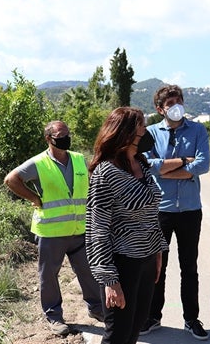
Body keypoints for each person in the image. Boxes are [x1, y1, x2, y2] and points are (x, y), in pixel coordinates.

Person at [4, 120, 103, 336]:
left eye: (67, 133)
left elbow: (91, 183)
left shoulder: (78, 159)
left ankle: (96, 309)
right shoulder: (38, 163)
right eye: (60, 134)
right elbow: (11, 179)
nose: (66, 137)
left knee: (88, 270)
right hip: (51, 232)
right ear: (49, 139)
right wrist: (33, 197)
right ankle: (54, 317)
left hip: (79, 228)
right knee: (49, 276)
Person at [85, 107, 168, 344]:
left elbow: (152, 213)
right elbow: (97, 228)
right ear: (128, 131)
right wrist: (109, 279)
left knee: (135, 330)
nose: (146, 130)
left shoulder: (141, 164)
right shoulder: (106, 172)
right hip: (123, 264)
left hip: (148, 259)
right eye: (142, 125)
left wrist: (158, 249)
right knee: (117, 334)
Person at [140, 84, 210, 341]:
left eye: (179, 101)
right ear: (160, 109)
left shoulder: (197, 129)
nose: (176, 106)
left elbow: (203, 164)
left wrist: (167, 169)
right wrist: (184, 162)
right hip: (160, 210)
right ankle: (153, 316)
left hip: (191, 210)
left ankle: (191, 319)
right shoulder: (149, 133)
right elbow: (148, 165)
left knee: (189, 267)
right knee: (157, 267)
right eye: (170, 103)